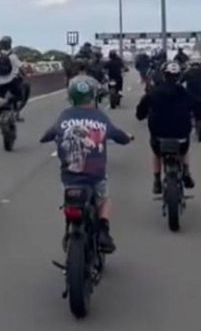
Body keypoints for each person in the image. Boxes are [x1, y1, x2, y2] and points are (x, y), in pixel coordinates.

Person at [40, 76, 132, 253]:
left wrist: (45, 138)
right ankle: (104, 230)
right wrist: (128, 138)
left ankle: (69, 228)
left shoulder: (64, 116)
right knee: (104, 200)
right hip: (95, 176)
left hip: (70, 178)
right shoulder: (100, 117)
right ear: (93, 96)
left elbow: (49, 134)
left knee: (69, 201)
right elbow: (119, 136)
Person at [136, 61, 195, 195]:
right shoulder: (184, 92)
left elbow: (141, 109)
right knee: (184, 151)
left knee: (157, 155)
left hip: (158, 136)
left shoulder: (154, 92)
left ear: (163, 75)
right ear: (179, 76)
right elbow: (195, 106)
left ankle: (157, 180)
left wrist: (140, 116)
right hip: (181, 136)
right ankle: (186, 170)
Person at [0, 36, 29, 122]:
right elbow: (22, 68)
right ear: (10, 44)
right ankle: (14, 110)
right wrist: (25, 73)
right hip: (11, 81)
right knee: (19, 96)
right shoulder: (13, 56)